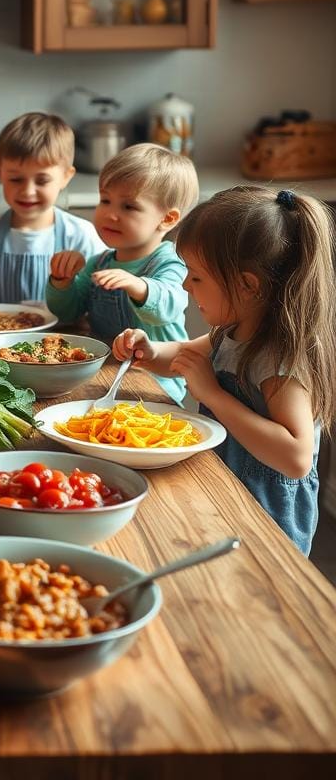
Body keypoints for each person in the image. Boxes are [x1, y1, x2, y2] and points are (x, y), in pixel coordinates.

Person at [112, 187, 336, 555]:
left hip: (265, 513)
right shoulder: (231, 332)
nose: (186, 285)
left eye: (196, 277)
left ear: (248, 285)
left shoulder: (278, 360)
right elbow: (184, 355)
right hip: (221, 484)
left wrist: (212, 395)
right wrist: (148, 351)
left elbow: (295, 458)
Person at [46, 143, 199, 404]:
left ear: (167, 219)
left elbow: (169, 306)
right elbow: (68, 312)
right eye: (105, 200)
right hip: (105, 374)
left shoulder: (170, 260)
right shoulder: (99, 262)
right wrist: (62, 281)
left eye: (128, 207)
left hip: (155, 386)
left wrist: (139, 286)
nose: (110, 214)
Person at [0, 112, 103, 304]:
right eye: (15, 179)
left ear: (66, 177)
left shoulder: (80, 235)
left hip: (62, 334)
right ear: (0, 175)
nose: (28, 191)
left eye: (42, 180)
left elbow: (100, 296)